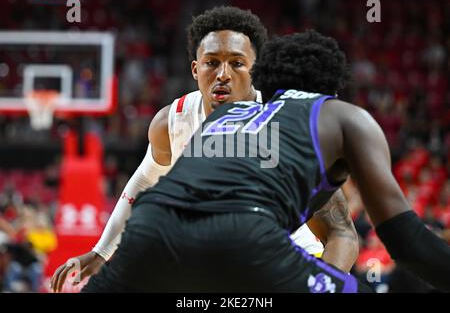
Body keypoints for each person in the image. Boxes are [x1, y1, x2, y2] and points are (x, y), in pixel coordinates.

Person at [82, 30, 450, 293]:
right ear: (332, 90)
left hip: (149, 228)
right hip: (244, 236)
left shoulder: (222, 118)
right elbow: (408, 244)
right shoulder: (343, 116)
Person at [51, 7, 358, 293]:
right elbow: (143, 182)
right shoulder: (171, 122)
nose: (223, 74)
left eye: (237, 63)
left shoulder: (286, 118)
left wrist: (323, 286)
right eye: (212, 63)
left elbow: (341, 231)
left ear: (257, 70)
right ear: (196, 69)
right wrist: (101, 252)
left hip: (289, 264)